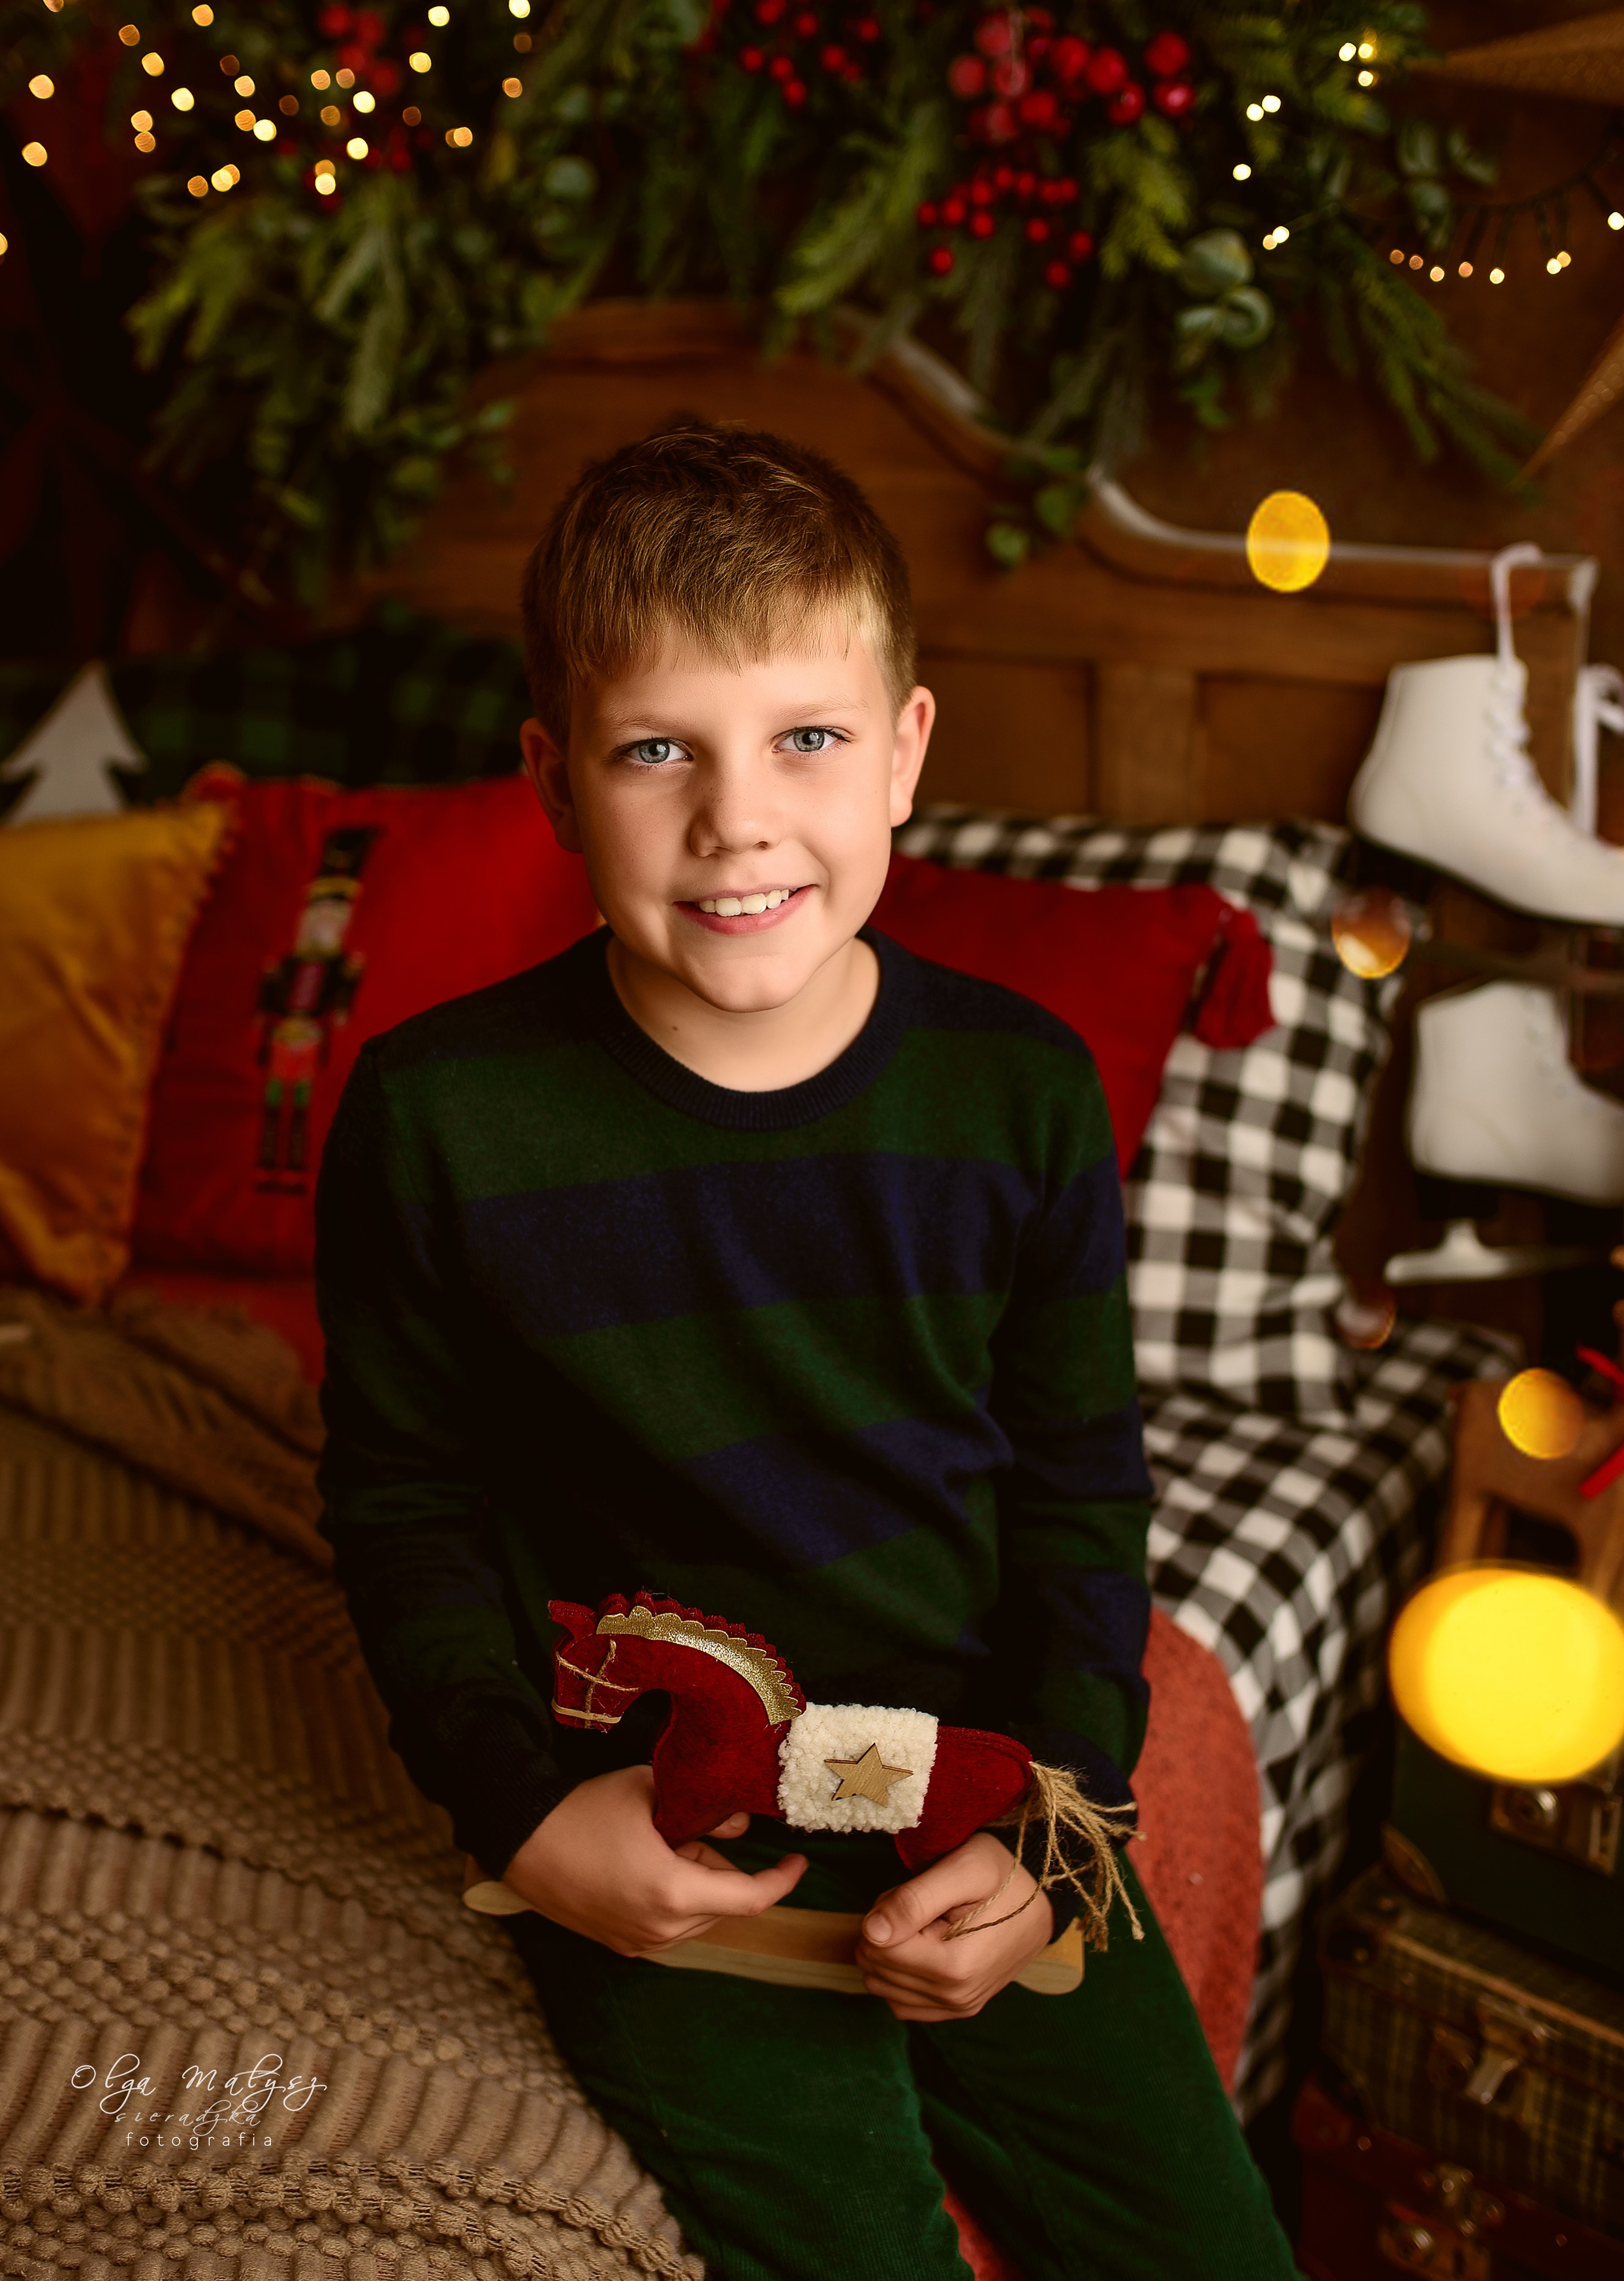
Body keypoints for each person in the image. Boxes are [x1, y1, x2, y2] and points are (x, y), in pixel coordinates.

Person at [314, 420, 1298, 2281]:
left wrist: (1067, 1830)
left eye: (808, 739)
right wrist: (531, 1822)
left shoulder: (1021, 1092)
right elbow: (404, 1495)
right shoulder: (436, 1119)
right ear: (551, 781)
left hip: (973, 1783)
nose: (737, 818)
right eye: (656, 748)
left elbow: (1085, 1489)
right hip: (662, 1827)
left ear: (908, 750)